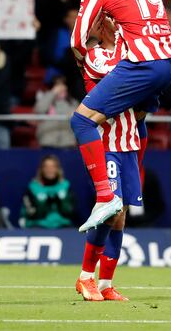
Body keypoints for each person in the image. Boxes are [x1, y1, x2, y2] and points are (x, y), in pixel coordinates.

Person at [70, 0, 171, 233]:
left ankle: (105, 196)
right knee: (137, 116)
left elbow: (77, 39)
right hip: (170, 62)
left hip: (144, 63)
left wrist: (82, 66)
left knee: (81, 121)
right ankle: (132, 182)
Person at [76, 17, 146, 302]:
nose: (117, 26)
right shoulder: (96, 55)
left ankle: (106, 283)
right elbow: (119, 75)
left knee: (121, 216)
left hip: (128, 142)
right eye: (110, 22)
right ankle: (85, 278)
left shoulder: (130, 55)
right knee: (111, 210)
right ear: (101, 28)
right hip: (105, 143)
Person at [20, 155, 75, 228]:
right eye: (46, 167)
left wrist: (60, 201)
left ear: (58, 169)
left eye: (53, 167)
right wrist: (43, 204)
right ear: (41, 169)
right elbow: (29, 213)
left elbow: (71, 211)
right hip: (38, 226)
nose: (50, 170)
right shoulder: (33, 187)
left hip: (62, 226)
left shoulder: (65, 186)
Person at [34, 76, 78, 148]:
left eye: (62, 84)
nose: (60, 87)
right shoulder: (45, 98)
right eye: (57, 85)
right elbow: (39, 109)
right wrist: (52, 93)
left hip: (68, 142)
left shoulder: (73, 102)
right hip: (47, 141)